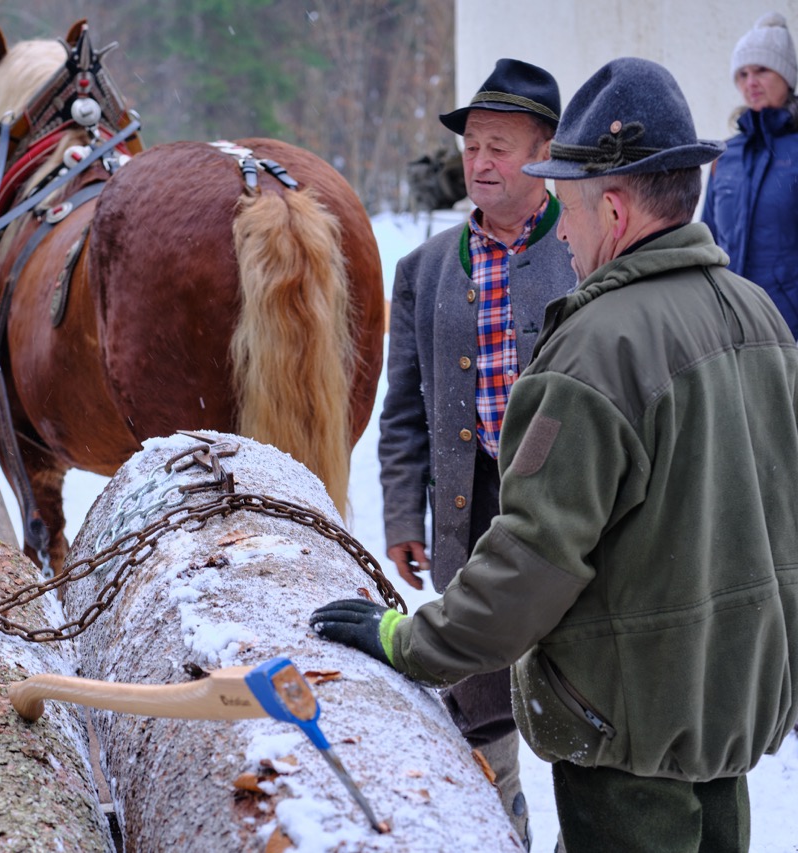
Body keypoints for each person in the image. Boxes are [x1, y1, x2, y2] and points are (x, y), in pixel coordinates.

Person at [315, 56, 798, 853]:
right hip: (727, 711)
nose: (563, 236)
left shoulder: (596, 349)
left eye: (567, 208)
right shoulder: (759, 318)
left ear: (611, 206)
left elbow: (532, 561)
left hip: (627, 729)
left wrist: (407, 641)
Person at [378, 57, 576, 847]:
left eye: (501, 147)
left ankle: (589, 829)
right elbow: (404, 410)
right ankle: (504, 822)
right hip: (471, 508)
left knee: (578, 686)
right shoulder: (423, 270)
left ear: (545, 152)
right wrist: (403, 509)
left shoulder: (584, 251)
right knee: (477, 685)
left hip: (569, 513)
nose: (481, 163)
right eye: (472, 149)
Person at [703, 12, 798, 335]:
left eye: (762, 70)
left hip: (789, 327)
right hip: (732, 326)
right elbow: (707, 242)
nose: (750, 82)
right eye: (742, 74)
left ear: (786, 75)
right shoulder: (724, 157)